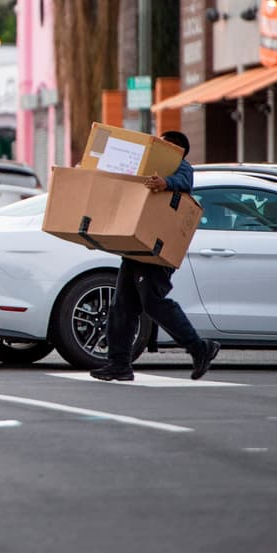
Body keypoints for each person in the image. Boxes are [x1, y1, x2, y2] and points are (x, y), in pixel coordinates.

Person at [91, 130, 221, 382]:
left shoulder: (180, 167)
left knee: (153, 302)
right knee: (122, 306)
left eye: (166, 144)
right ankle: (119, 364)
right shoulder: (145, 167)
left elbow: (185, 180)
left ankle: (199, 347)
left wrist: (166, 183)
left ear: (178, 150)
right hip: (135, 247)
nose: (160, 147)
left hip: (157, 250)